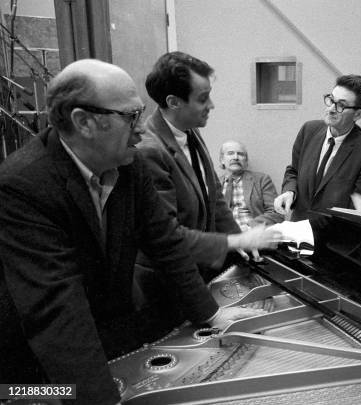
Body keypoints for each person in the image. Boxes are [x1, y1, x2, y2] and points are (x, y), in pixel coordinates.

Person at [0, 59, 279, 404]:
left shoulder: (127, 165)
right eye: (130, 117)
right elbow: (57, 307)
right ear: (84, 122)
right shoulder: (23, 185)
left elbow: (166, 244)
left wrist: (212, 312)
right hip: (38, 368)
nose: (140, 130)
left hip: (112, 332)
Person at [135, 52, 246, 310]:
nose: (212, 105)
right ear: (174, 102)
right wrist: (236, 242)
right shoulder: (149, 150)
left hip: (200, 271)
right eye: (203, 98)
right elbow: (168, 236)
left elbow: (214, 198)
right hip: (166, 287)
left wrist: (242, 244)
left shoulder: (190, 130)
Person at [274, 74, 361, 221]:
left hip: (334, 239)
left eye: (341, 105)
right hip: (298, 231)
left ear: (358, 114)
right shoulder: (308, 130)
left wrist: (313, 230)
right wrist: (289, 192)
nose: (331, 109)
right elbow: (293, 171)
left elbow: (357, 210)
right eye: (331, 100)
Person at [219, 140, 283, 229]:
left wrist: (250, 226)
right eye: (230, 153)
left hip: (254, 233)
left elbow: (277, 212)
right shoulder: (214, 185)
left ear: (246, 161)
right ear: (222, 160)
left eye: (240, 154)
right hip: (225, 237)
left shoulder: (261, 180)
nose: (236, 157)